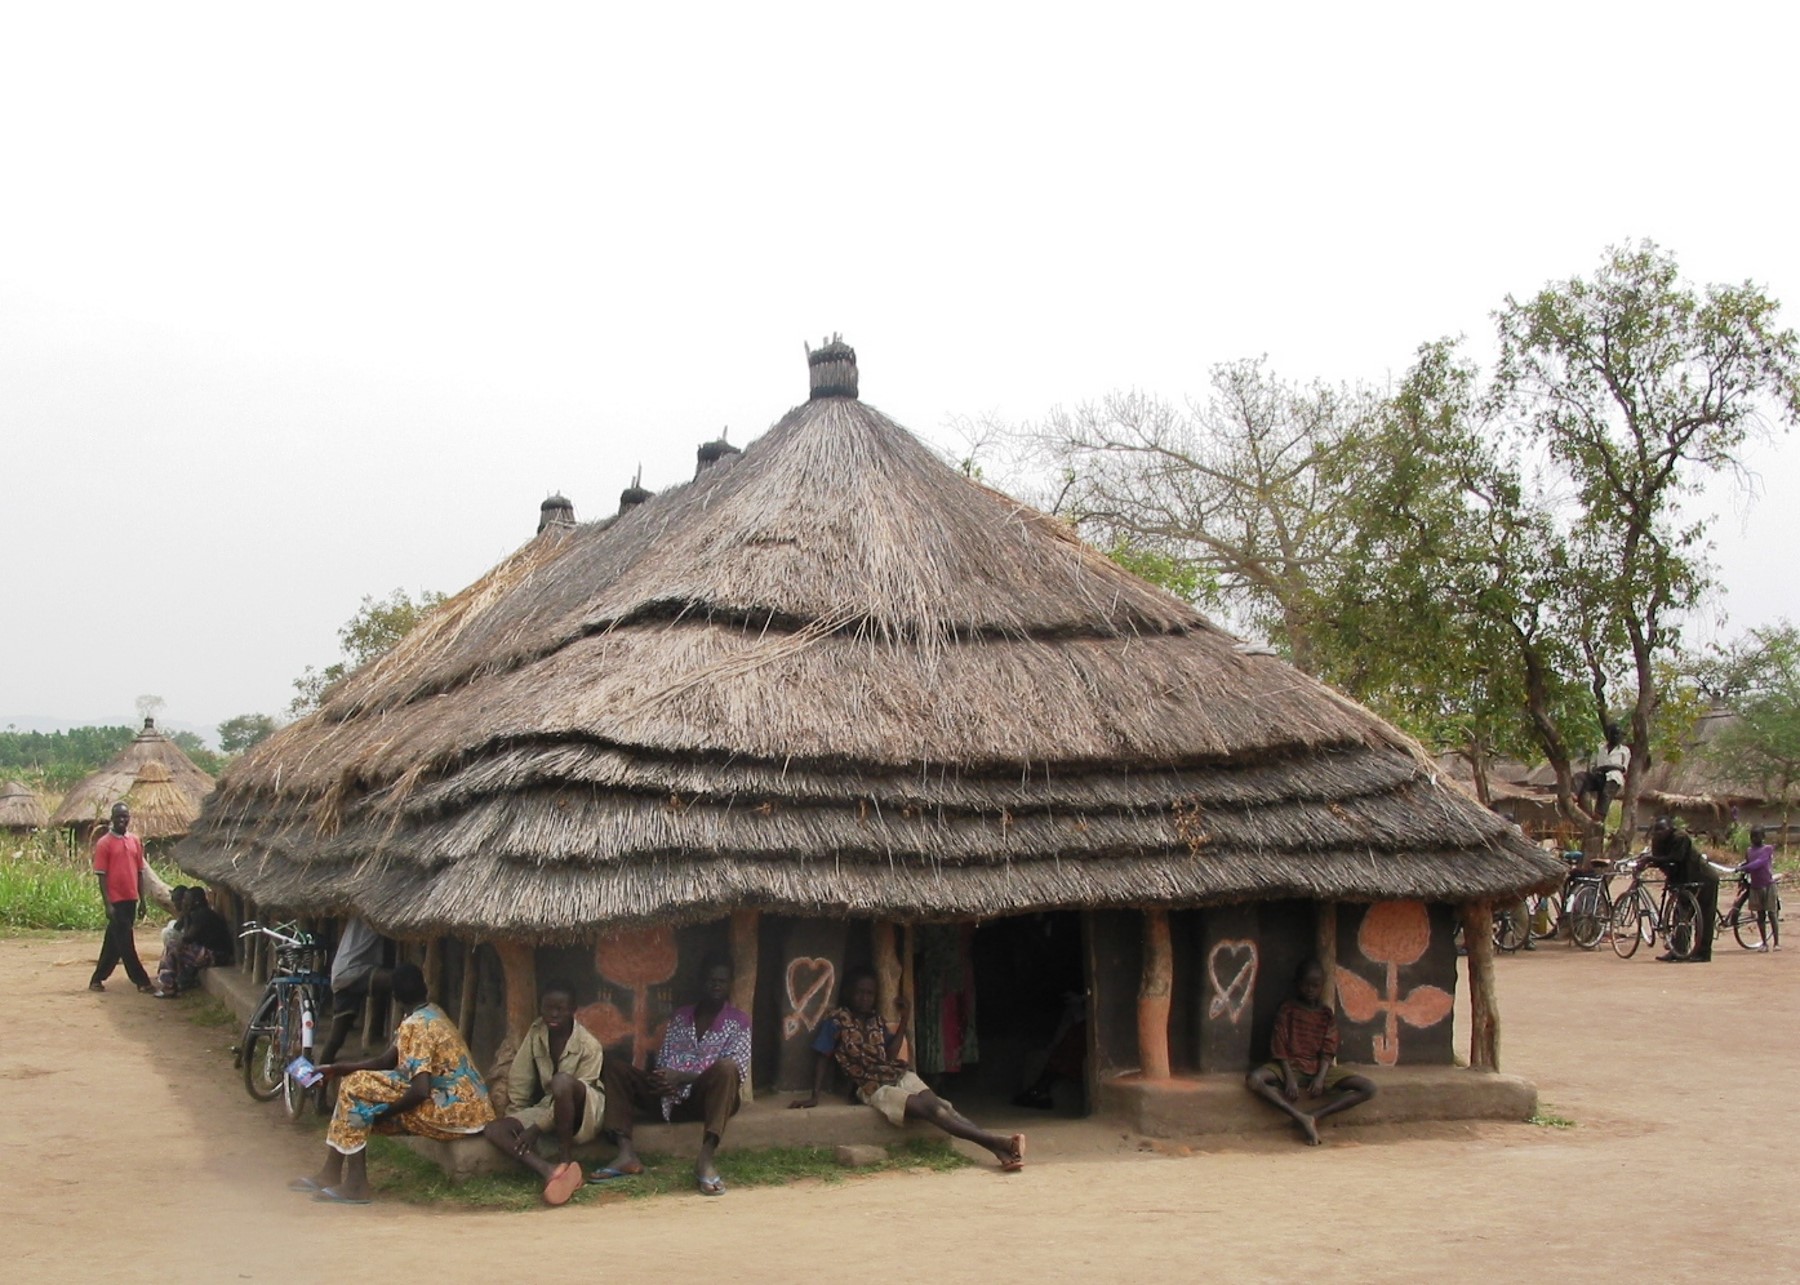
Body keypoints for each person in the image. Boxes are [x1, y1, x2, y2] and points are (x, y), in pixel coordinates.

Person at [291, 963, 493, 1205]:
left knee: (356, 1090)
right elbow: (386, 1060)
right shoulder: (431, 1013)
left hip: (456, 1112)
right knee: (355, 1085)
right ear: (425, 988)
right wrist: (335, 1069)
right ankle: (331, 1173)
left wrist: (382, 1113)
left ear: (394, 997)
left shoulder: (416, 1025)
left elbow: (420, 1090)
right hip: (467, 1105)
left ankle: (354, 1184)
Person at [792, 966, 1024, 1172]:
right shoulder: (836, 1021)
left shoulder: (876, 1021)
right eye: (859, 992)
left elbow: (891, 1055)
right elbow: (822, 1056)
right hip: (872, 1086)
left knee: (940, 1107)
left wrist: (904, 1020)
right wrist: (815, 1095)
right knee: (935, 1111)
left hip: (897, 1073)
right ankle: (998, 1144)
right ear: (847, 993)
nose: (864, 998)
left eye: (870, 993)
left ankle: (1000, 1148)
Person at [593, 954, 751, 1196]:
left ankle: (705, 1159)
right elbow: (666, 1058)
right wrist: (663, 1079)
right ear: (701, 982)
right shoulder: (681, 1016)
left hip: (705, 1099)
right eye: (710, 980)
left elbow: (738, 1069)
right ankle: (626, 1154)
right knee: (614, 1067)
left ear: (730, 984)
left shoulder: (739, 1022)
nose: (715, 985)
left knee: (727, 1068)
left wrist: (683, 1078)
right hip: (667, 1097)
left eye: (722, 980)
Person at [482, 983, 603, 1205]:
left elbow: (575, 1093)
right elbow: (521, 1077)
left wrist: (536, 1129)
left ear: (573, 1009)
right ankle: (548, 1170)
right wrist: (518, 1119)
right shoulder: (537, 1032)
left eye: (561, 1009)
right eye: (548, 1008)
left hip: (583, 1115)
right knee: (494, 1129)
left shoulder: (589, 1045)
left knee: (562, 1083)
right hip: (548, 1108)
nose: (554, 1014)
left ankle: (566, 1158)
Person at [1245, 959, 1376, 1145]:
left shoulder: (1325, 1014)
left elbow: (1328, 1049)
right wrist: (1289, 1077)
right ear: (1298, 984)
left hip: (1317, 1068)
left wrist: (1321, 1077)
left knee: (1369, 1088)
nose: (1310, 989)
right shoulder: (1288, 1009)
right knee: (1254, 1079)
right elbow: (1279, 1045)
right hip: (1290, 1067)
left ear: (1322, 986)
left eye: (1315, 985)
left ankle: (1314, 1116)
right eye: (1306, 984)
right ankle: (1298, 1116)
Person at [88, 802, 159, 995]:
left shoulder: (135, 841)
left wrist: (142, 900)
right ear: (112, 818)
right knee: (126, 944)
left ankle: (97, 979)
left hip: (131, 899)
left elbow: (138, 872)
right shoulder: (104, 844)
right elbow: (101, 876)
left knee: (114, 942)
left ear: (129, 818)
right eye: (118, 817)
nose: (122, 820)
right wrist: (108, 904)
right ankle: (142, 981)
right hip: (116, 901)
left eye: (125, 817)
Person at [1646, 815, 1720, 963]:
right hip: (1683, 878)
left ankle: (1703, 953)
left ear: (1671, 828)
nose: (1659, 833)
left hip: (1703, 876)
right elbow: (1664, 863)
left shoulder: (1680, 838)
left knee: (1704, 915)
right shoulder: (1657, 842)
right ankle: (1678, 950)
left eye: (1663, 830)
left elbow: (1676, 858)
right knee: (1680, 915)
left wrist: (1652, 860)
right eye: (1657, 831)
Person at [318, 916, 390, 1065]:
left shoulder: (361, 913)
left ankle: (314, 1082)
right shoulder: (373, 911)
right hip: (352, 970)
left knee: (336, 1038)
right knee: (401, 979)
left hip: (343, 971)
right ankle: (314, 1081)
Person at [155, 886, 233, 995]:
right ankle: (172, 981)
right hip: (209, 952)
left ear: (196, 902)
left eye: (186, 900)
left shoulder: (202, 914)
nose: (183, 902)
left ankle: (169, 986)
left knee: (173, 947)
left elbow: (187, 938)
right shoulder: (198, 913)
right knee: (174, 947)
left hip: (218, 955)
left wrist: (185, 914)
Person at [1738, 826, 1780, 952]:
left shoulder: (1767, 849)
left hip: (1768, 885)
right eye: (1753, 836)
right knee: (1760, 916)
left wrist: (1743, 868)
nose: (1755, 839)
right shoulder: (1749, 850)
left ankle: (1776, 943)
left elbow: (1759, 863)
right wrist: (1741, 870)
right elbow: (1748, 863)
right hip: (1755, 886)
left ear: (1763, 837)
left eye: (1757, 836)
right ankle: (1764, 943)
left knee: (1772, 914)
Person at [1574, 722, 1630, 815]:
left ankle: (1599, 815)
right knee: (1580, 776)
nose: (1616, 737)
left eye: (1618, 734)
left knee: (1605, 794)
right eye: (1614, 734)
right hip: (1598, 776)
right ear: (1608, 735)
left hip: (1613, 778)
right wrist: (1597, 771)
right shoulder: (1600, 747)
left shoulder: (1624, 750)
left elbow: (1623, 768)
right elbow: (1592, 765)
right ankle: (1575, 797)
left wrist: (1606, 768)